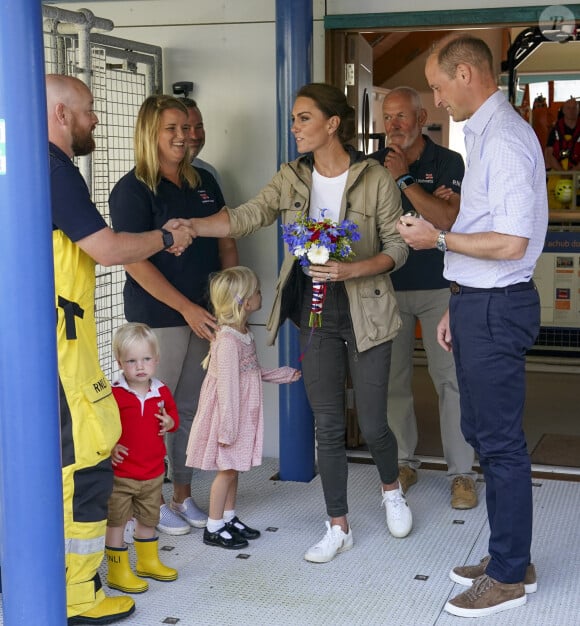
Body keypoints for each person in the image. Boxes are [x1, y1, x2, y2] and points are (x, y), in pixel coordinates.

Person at [186, 82, 411, 563]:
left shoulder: (375, 178)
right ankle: (338, 525)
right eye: (293, 119)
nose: (294, 127)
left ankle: (391, 489)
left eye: (303, 118)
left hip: (367, 306)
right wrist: (195, 225)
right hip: (314, 310)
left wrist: (351, 268)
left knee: (372, 424)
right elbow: (248, 215)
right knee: (327, 424)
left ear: (332, 124)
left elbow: (398, 247)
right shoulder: (291, 177)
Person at [398, 35, 547, 617]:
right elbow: (484, 221)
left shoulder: (505, 138)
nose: (436, 101)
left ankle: (509, 574)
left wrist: (436, 239)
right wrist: (457, 304)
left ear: (467, 73)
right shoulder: (484, 132)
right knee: (487, 437)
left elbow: (509, 242)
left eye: (437, 87)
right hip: (477, 303)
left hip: (496, 303)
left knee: (501, 444)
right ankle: (512, 557)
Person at [46, 74, 192, 625]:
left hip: (50, 343)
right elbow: (107, 249)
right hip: (59, 350)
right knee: (84, 464)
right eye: (87, 111)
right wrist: (166, 237)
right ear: (61, 114)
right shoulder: (55, 171)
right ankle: (78, 595)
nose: (95, 120)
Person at [109, 94, 239, 538]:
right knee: (148, 414)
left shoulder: (203, 181)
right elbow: (133, 260)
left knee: (187, 409)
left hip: (205, 313)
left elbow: (225, 236)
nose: (184, 136)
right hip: (159, 317)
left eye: (187, 128)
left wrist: (227, 303)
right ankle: (151, 503)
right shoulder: (133, 189)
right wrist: (186, 308)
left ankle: (182, 495)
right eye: (173, 129)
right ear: (151, 133)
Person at [369, 87, 477, 509]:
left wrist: (405, 181)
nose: (393, 125)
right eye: (387, 117)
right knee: (394, 381)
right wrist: (428, 201)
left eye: (401, 117)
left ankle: (462, 473)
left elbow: (447, 220)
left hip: (439, 287)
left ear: (421, 117)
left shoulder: (448, 161)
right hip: (387, 286)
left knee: (450, 380)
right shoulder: (371, 165)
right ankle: (403, 462)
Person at [185, 266, 301, 549]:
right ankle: (213, 527)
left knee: (234, 467)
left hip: (240, 412)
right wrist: (228, 428)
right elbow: (226, 388)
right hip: (229, 416)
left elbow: (250, 371)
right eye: (258, 291)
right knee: (226, 470)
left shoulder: (243, 334)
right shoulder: (227, 342)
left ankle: (228, 517)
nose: (262, 294)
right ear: (245, 301)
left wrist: (281, 375)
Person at [105, 323, 179, 593]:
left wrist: (170, 421)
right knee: (117, 521)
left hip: (153, 473)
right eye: (132, 361)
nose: (140, 366)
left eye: (146, 359)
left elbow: (174, 419)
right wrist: (111, 446)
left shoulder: (162, 391)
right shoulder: (114, 394)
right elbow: (104, 426)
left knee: (149, 519)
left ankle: (147, 562)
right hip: (122, 475)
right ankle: (117, 570)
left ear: (156, 360)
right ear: (120, 363)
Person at [182, 97, 224, 187]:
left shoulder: (209, 173)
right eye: (186, 128)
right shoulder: (151, 177)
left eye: (198, 127)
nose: (194, 136)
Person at [544, 96, 580, 171]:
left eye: (574, 108)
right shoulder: (555, 130)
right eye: (568, 108)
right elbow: (549, 154)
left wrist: (574, 171)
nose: (571, 111)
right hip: (557, 172)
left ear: (578, 110)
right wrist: (562, 172)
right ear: (563, 110)